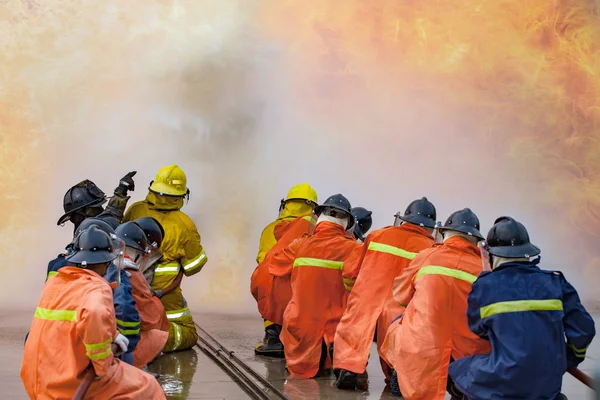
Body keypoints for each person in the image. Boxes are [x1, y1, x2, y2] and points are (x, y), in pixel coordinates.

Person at [448, 216, 596, 400]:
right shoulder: (556, 282)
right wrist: (565, 360)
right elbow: (584, 331)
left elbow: (478, 328)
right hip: (547, 385)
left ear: (491, 254)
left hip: (503, 379)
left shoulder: (486, 286)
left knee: (458, 368)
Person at [21, 227, 165, 399]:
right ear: (105, 263)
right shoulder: (96, 288)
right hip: (67, 385)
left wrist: (113, 334)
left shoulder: (55, 282)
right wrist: (103, 366)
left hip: (36, 378)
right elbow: (94, 314)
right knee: (148, 386)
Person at [381, 208, 492, 399]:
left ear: (444, 232)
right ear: (476, 239)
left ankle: (402, 373)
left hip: (425, 345)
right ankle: (460, 383)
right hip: (469, 352)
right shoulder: (485, 269)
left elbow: (400, 296)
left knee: (398, 322)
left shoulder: (427, 256)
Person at [334, 198, 437, 390]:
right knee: (397, 341)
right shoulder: (431, 250)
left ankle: (349, 368)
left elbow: (349, 271)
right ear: (432, 227)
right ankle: (395, 374)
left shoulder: (377, 235)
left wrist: (354, 293)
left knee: (355, 332)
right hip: (399, 306)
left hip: (366, 299)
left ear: (404, 218)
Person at [270, 194, 361, 378]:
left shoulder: (300, 245)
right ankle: (338, 353)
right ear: (347, 223)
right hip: (335, 327)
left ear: (319, 216)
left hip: (301, 328)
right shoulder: (354, 249)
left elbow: (274, 265)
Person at [123, 164, 208, 353]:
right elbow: (194, 266)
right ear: (181, 195)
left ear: (154, 187)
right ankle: (150, 344)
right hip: (166, 295)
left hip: (129, 286)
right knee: (188, 334)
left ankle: (132, 339)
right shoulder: (184, 224)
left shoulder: (135, 210)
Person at [44, 218, 141, 366]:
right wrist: (120, 343)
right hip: (79, 360)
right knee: (145, 385)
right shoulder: (101, 286)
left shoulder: (56, 275)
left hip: (46, 359)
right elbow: (124, 314)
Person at [252, 184, 318, 357]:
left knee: (267, 282)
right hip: (302, 287)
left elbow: (262, 261)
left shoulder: (270, 229)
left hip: (271, 283)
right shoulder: (315, 226)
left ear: (286, 204)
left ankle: (273, 336)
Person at [115, 222, 170, 369]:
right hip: (113, 346)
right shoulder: (130, 272)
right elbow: (150, 319)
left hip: (87, 341)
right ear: (138, 252)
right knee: (157, 329)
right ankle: (137, 367)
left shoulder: (103, 262)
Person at [57, 172, 136, 234]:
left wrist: (121, 189)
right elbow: (112, 212)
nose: (100, 209)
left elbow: (112, 211)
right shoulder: (84, 235)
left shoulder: (99, 226)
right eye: (96, 207)